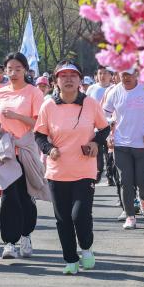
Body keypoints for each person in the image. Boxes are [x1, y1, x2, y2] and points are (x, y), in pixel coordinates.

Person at [35, 61, 109, 275]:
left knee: (80, 215)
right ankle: (70, 260)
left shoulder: (91, 104)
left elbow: (104, 129)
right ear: (56, 81)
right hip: (57, 171)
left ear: (80, 80)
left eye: (73, 75)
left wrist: (95, 143)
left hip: (84, 170)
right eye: (63, 75)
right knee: (63, 219)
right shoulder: (48, 105)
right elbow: (39, 134)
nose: (68, 79)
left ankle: (86, 247)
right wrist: (49, 149)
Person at [0, 52, 51, 260]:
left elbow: (40, 124)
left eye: (18, 69)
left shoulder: (34, 93)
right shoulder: (0, 93)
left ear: (25, 70)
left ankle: (25, 235)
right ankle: (9, 242)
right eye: (10, 69)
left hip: (26, 148)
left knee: (25, 196)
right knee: (8, 196)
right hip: (6, 150)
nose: (13, 73)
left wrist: (16, 116)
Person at [102, 67, 144, 229]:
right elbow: (103, 115)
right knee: (125, 181)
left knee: (142, 182)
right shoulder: (114, 92)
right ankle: (130, 216)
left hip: (142, 144)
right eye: (123, 74)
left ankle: (143, 198)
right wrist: (109, 134)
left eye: (130, 74)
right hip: (121, 144)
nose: (126, 77)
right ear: (118, 75)